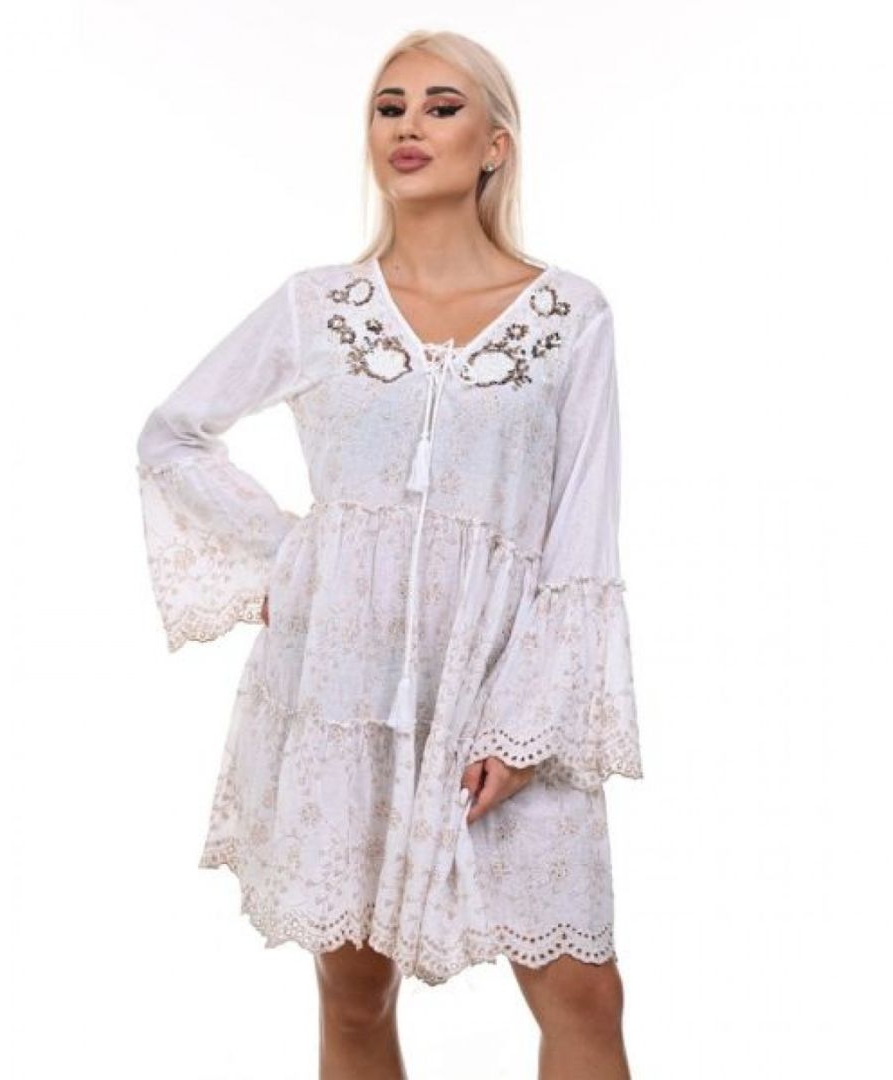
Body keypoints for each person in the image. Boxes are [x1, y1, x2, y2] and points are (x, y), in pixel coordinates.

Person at [135, 28, 642, 1080]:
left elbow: (581, 539)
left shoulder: (570, 317)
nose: (410, 126)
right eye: (389, 106)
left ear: (495, 144)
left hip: (507, 678)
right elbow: (173, 437)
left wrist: (527, 724)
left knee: (584, 994)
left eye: (442, 107)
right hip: (347, 688)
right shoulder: (319, 307)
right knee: (355, 991)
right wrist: (290, 561)